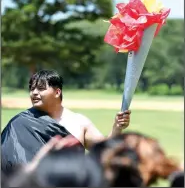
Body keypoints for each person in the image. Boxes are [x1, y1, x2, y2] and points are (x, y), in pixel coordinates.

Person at [1, 69, 131, 174]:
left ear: (57, 92)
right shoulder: (19, 123)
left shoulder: (79, 122)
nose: (34, 93)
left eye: (40, 88)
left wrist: (117, 127)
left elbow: (104, 152)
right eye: (31, 88)